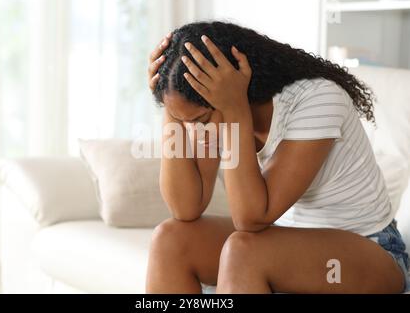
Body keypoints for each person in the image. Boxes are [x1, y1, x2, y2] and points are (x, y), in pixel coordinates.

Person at [145, 21, 410, 294]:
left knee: (243, 252)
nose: (196, 132)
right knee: (170, 240)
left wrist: (236, 113)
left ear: (235, 90)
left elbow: (251, 218)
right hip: (285, 244)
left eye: (200, 119)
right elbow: (185, 207)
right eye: (187, 122)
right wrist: (172, 108)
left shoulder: (318, 98)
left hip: (370, 250)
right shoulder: (211, 113)